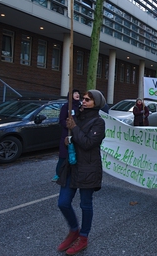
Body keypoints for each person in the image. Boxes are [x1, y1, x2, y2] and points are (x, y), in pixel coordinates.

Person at [56, 90, 106, 255]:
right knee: (63, 202)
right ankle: (74, 230)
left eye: (88, 99)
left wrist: (75, 129)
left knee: (85, 204)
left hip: (88, 168)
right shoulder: (76, 116)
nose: (83, 101)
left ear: (96, 103)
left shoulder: (98, 122)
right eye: (83, 99)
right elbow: (74, 140)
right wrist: (67, 140)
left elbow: (88, 143)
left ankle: (83, 237)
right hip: (72, 165)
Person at [52, 89, 81, 182]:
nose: (77, 94)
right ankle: (58, 173)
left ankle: (74, 173)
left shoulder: (81, 107)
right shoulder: (66, 106)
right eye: (75, 93)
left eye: (78, 93)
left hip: (78, 133)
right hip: (67, 134)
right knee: (64, 155)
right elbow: (61, 120)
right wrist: (68, 125)